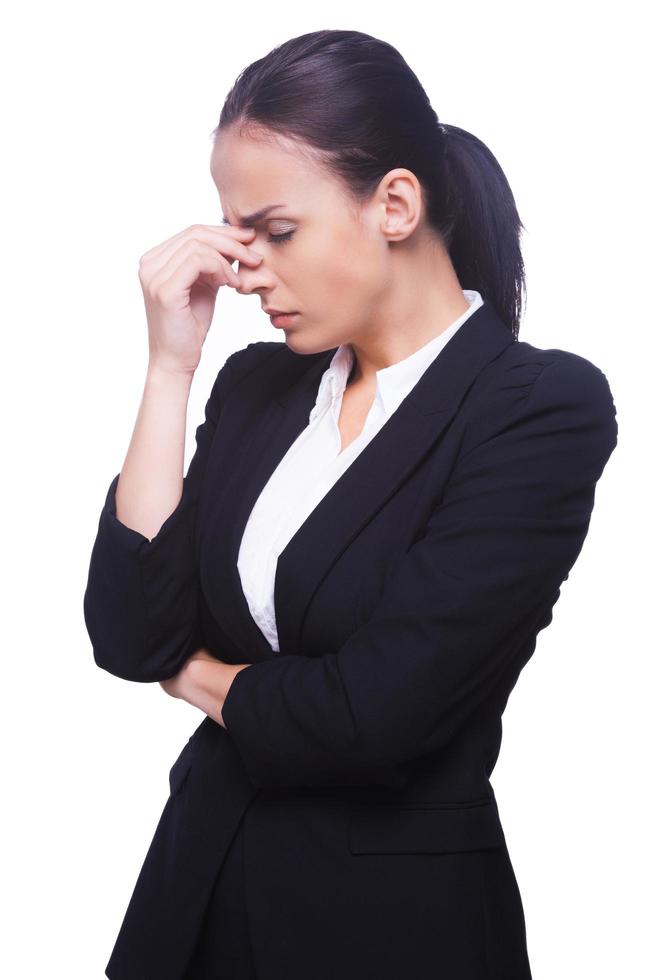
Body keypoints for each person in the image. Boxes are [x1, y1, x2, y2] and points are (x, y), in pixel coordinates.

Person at [83, 28, 619, 980]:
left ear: (397, 205)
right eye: (236, 233)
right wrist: (171, 365)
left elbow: (378, 716)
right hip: (194, 896)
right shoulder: (259, 387)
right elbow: (131, 632)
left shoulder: (536, 408)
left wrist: (200, 680)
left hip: (387, 930)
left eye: (275, 231)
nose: (245, 267)